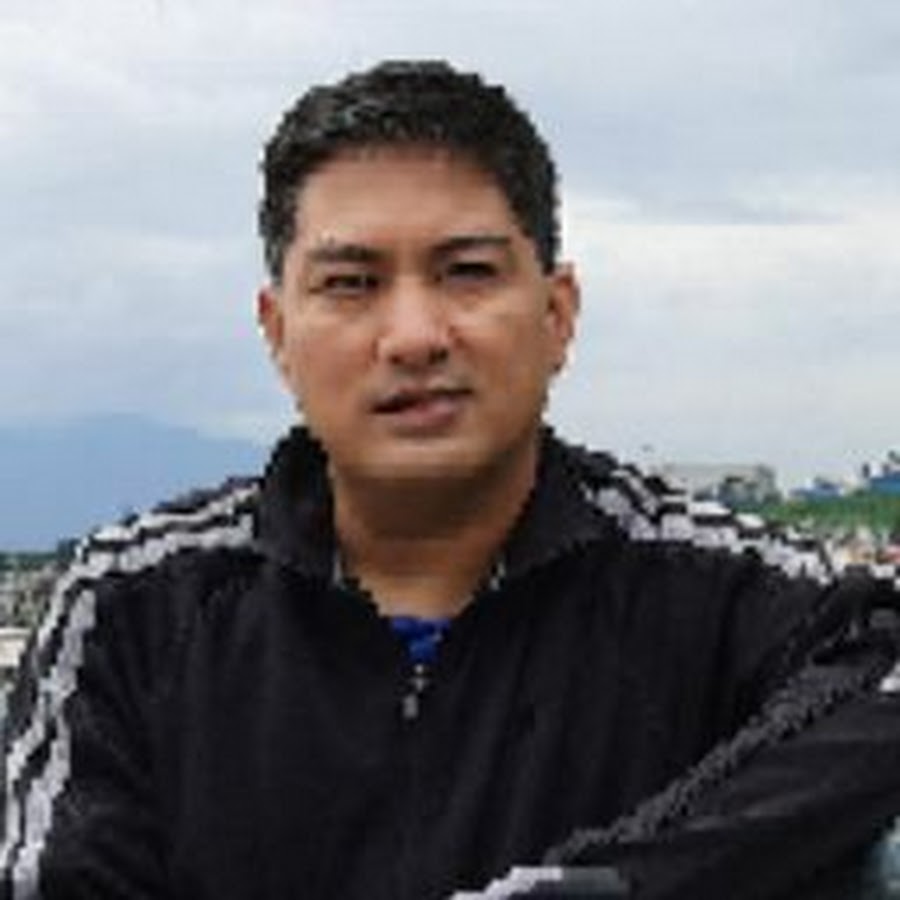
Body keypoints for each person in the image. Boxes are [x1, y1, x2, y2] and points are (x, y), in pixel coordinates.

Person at [2, 60, 900, 900]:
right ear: (277, 332)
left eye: (467, 273)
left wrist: (607, 886)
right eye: (351, 283)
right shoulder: (132, 607)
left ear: (557, 314)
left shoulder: (718, 587)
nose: (414, 337)